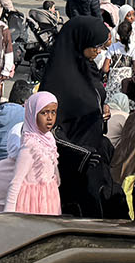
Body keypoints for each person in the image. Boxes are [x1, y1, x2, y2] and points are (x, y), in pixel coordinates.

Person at [38, 15, 112, 215]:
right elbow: (47, 130)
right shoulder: (57, 81)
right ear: (81, 42)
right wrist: (81, 153)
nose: (98, 52)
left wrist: (101, 109)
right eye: (95, 47)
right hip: (72, 165)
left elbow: (93, 97)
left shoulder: (86, 67)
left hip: (93, 158)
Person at [5, 92, 62, 215]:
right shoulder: (30, 147)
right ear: (32, 114)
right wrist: (8, 216)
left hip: (49, 198)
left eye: (53, 112)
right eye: (44, 112)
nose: (50, 117)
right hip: (33, 202)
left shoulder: (49, 138)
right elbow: (15, 182)